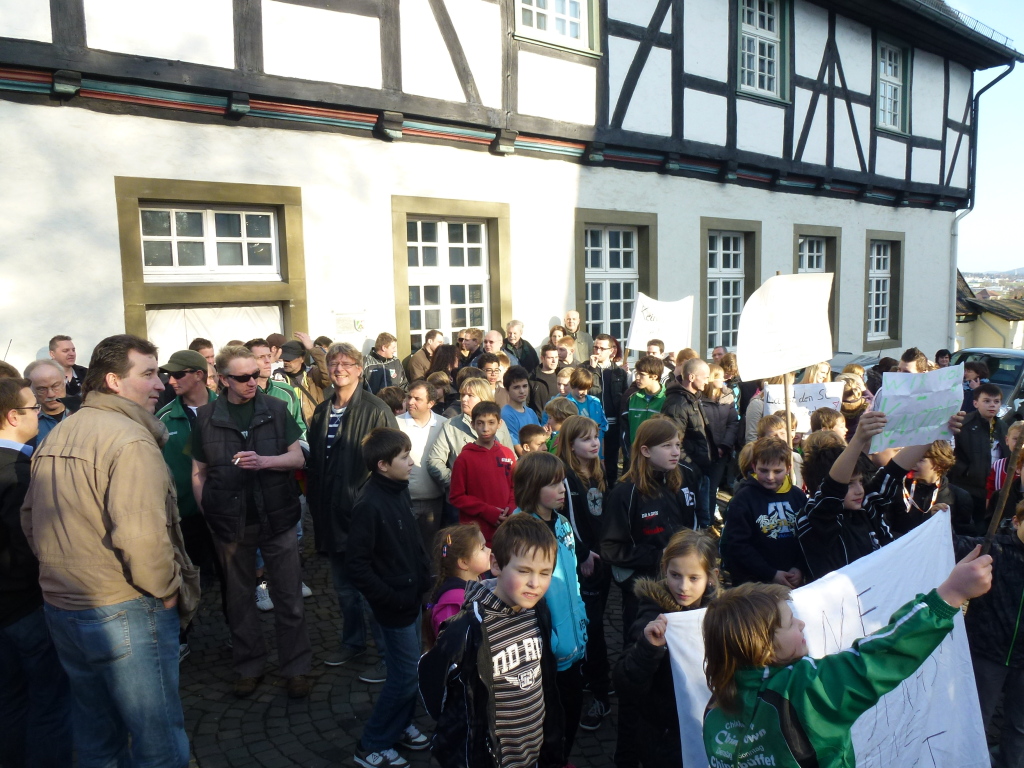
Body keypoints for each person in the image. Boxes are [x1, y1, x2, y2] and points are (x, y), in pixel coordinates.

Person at [21, 334, 198, 768]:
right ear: (115, 381)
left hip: (64, 606)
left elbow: (30, 519)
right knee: (157, 740)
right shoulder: (130, 441)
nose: (161, 384)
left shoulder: (61, 431)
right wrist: (167, 590)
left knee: (96, 733)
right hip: (122, 608)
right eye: (150, 374)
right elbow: (141, 539)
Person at [702, 547, 993, 768]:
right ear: (763, 647)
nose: (801, 624)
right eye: (790, 623)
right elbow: (877, 657)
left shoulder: (716, 707)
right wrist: (949, 596)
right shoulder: (803, 692)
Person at [191, 345, 311, 698]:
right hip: (229, 523)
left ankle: (297, 667)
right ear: (223, 379)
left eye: (255, 376)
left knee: (289, 597)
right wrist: (207, 510)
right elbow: (198, 472)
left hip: (278, 517)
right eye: (242, 378)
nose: (252, 383)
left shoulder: (275, 408)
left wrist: (265, 462)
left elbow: (297, 458)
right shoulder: (207, 417)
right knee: (239, 599)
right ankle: (249, 666)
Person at [418, 514, 564, 768]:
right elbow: (432, 684)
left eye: (545, 573)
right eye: (524, 571)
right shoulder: (467, 627)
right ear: (496, 565)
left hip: (531, 754)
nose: (535, 583)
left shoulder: (538, 610)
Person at [306, 342, 396, 670]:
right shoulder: (320, 412)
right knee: (344, 591)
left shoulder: (375, 409)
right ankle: (353, 643)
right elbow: (316, 464)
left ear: (359, 369)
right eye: (334, 364)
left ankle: (388, 657)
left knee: (374, 591)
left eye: (346, 363)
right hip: (332, 517)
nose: (339, 369)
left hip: (365, 517)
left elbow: (393, 464)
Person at [348, 428, 432, 767]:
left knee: (411, 669)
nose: (411, 463)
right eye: (404, 458)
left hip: (410, 597)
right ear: (383, 465)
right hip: (394, 605)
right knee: (404, 675)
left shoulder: (397, 490)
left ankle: (400, 725)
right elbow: (357, 565)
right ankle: (371, 744)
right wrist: (390, 597)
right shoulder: (369, 504)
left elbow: (408, 542)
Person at [0, 377, 71, 768]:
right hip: (25, 607)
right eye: (32, 408)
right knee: (49, 703)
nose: (39, 412)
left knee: (10, 700)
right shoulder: (21, 472)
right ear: (13, 417)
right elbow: (29, 547)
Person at [615, 530, 719, 768]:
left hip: (707, 730)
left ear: (711, 577)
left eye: (694, 578)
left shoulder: (719, 617)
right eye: (675, 575)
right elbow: (625, 684)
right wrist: (647, 648)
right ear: (664, 569)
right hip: (662, 733)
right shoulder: (652, 616)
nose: (683, 587)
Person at [513, 451, 588, 765]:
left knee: (571, 708)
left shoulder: (562, 523)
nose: (562, 490)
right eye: (553, 484)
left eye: (563, 483)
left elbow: (571, 578)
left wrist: (581, 618)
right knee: (548, 717)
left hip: (573, 637)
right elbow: (521, 595)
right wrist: (551, 638)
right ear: (532, 487)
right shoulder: (522, 531)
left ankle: (561, 758)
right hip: (547, 645)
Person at [602, 416, 698, 638]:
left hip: (681, 588)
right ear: (645, 451)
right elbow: (610, 548)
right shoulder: (625, 493)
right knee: (641, 648)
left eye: (677, 445)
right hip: (642, 593)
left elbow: (690, 526)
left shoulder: (683, 479)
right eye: (666, 446)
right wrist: (659, 556)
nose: (675, 452)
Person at [156, 349, 219, 657]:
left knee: (234, 577)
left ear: (198, 375)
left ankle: (242, 635)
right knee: (183, 577)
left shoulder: (228, 408)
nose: (170, 380)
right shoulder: (164, 417)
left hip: (225, 513)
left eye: (177, 374)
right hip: (185, 516)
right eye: (169, 374)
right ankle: (182, 636)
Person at [955, 502, 1024, 768]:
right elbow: (950, 544)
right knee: (975, 722)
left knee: (1019, 728)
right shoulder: (995, 549)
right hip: (986, 652)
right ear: (1016, 522)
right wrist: (933, 513)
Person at [555, 415, 612, 732]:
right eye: (587, 439)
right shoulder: (566, 478)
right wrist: (583, 553)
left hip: (601, 560)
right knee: (591, 627)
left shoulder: (600, 473)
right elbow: (568, 521)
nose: (595, 442)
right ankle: (600, 692)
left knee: (597, 619)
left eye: (596, 437)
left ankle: (596, 676)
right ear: (571, 445)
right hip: (584, 561)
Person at [720, 436, 806, 587]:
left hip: (793, 578)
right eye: (764, 470)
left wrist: (800, 567)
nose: (770, 477)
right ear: (754, 466)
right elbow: (737, 544)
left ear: (788, 468)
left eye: (777, 471)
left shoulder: (798, 496)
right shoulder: (743, 499)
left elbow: (808, 537)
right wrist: (770, 573)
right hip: (756, 583)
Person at [426, 378, 513, 495]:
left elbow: (511, 460)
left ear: (484, 398)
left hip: (497, 495)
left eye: (470, 395)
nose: (464, 399)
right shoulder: (451, 425)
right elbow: (434, 461)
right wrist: (457, 483)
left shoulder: (500, 425)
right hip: (463, 499)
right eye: (463, 395)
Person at [449, 401, 517, 546]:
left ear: (499, 423)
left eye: (491, 422)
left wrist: (510, 508)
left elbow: (515, 487)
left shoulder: (507, 453)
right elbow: (456, 496)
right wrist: (487, 511)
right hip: (477, 535)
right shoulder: (464, 459)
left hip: (506, 530)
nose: (485, 428)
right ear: (473, 424)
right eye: (480, 423)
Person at [664, 357, 717, 527]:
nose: (708, 381)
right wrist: (691, 467)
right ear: (692, 377)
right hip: (689, 471)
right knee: (693, 517)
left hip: (700, 468)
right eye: (705, 377)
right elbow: (673, 440)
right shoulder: (678, 403)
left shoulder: (693, 398)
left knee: (703, 514)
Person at [397, 380, 447, 555]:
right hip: (403, 500)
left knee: (430, 550)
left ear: (431, 403)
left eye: (417, 399)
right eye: (409, 397)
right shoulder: (395, 424)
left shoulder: (444, 425)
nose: (410, 402)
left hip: (434, 502)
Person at [949, 382, 1007, 532]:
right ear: (975, 403)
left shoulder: (1003, 427)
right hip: (967, 485)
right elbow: (950, 453)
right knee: (966, 526)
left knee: (986, 527)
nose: (992, 405)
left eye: (996, 401)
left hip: (992, 488)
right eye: (986, 401)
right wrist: (965, 470)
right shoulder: (964, 424)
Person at [887, 439, 974, 536]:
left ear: (940, 464)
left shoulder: (958, 497)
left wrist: (940, 522)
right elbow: (886, 530)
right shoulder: (896, 489)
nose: (912, 463)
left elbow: (964, 538)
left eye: (920, 459)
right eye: (912, 458)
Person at [427, 522, 492, 639]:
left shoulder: (480, 582)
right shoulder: (454, 601)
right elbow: (452, 646)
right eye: (482, 548)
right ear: (463, 562)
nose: (489, 550)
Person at [582, 333, 629, 484]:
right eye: (595, 347)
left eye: (602, 348)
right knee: (592, 460)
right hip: (592, 423)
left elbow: (624, 398)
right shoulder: (586, 368)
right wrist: (592, 369)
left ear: (612, 351)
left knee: (611, 460)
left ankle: (610, 489)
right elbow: (584, 388)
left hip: (614, 423)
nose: (597, 351)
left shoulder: (619, 372)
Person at [701, 363, 740, 517]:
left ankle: (709, 519)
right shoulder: (699, 399)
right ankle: (703, 520)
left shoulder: (728, 396)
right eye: (718, 376)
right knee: (703, 487)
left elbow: (733, 423)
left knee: (712, 488)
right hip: (704, 451)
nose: (723, 379)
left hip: (722, 452)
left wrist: (724, 445)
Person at [246, 338, 306, 436]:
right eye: (260, 357)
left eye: (269, 356)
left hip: (288, 450)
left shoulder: (287, 390)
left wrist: (302, 447)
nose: (267, 361)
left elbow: (299, 426)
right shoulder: (241, 393)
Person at [273, 333, 331, 424]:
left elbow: (327, 374)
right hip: (288, 428)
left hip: (311, 427)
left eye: (289, 359)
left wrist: (312, 349)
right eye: (284, 359)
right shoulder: (276, 376)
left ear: (302, 358)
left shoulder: (312, 374)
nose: (286, 362)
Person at [24, 359, 80, 444]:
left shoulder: (83, 409)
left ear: (65, 381)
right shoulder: (25, 421)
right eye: (42, 389)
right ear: (31, 390)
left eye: (56, 386)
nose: (51, 394)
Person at [624, 354, 667, 446]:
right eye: (637, 374)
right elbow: (624, 428)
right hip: (635, 454)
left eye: (642, 375)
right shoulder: (631, 397)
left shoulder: (667, 399)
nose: (637, 378)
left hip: (657, 455)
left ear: (655, 376)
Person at [987, 421, 1024, 524]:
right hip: (1003, 514)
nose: (1021, 443)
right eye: (1016, 439)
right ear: (1007, 440)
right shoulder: (998, 465)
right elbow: (990, 493)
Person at [501, 365, 541, 445]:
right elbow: (517, 447)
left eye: (525, 386)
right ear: (507, 390)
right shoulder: (506, 414)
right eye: (516, 387)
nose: (522, 391)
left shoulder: (530, 412)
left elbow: (540, 438)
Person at [530, 344, 564, 415]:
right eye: (550, 358)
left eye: (556, 357)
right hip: (539, 422)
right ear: (542, 358)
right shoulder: (532, 378)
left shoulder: (562, 376)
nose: (554, 361)